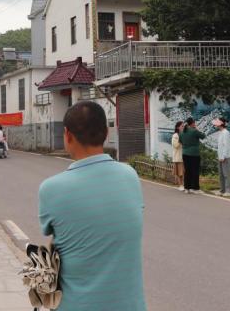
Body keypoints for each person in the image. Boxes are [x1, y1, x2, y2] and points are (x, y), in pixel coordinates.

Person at [38, 101, 145, 311]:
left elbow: (52, 238)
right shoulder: (130, 175)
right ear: (106, 132)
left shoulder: (51, 188)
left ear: (67, 135)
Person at [180, 116, 206, 194]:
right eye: (194, 123)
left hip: (185, 153)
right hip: (194, 154)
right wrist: (196, 128)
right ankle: (195, 188)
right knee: (195, 171)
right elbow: (203, 136)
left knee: (187, 171)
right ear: (193, 123)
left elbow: (180, 141)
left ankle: (187, 188)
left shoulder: (182, 132)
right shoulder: (194, 131)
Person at [215, 117, 230, 196]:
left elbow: (226, 146)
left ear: (221, 124)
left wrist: (223, 156)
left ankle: (229, 191)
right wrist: (220, 156)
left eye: (217, 122)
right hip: (220, 156)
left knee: (226, 174)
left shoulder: (226, 132)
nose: (216, 124)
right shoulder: (221, 132)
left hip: (225, 156)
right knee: (221, 174)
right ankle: (222, 190)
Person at [171, 121, 185, 191]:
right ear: (177, 127)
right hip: (178, 157)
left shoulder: (183, 134)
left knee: (183, 172)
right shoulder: (175, 136)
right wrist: (181, 139)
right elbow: (176, 145)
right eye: (182, 126)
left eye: (183, 126)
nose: (183, 127)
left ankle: (183, 184)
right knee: (180, 173)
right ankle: (180, 185)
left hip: (184, 156)